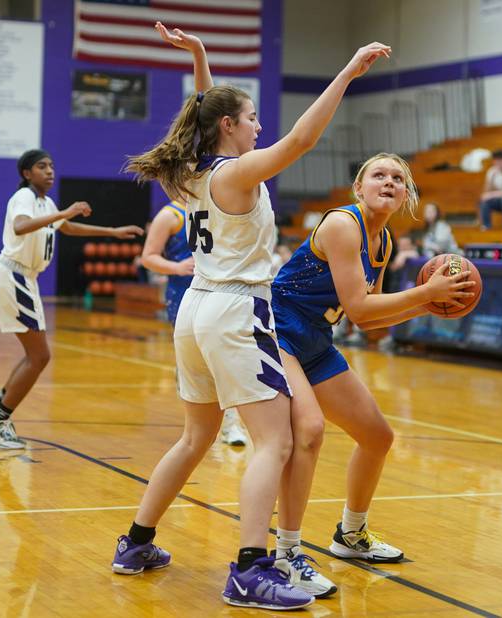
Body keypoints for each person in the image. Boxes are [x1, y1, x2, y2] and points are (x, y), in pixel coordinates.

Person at [110, 21, 392, 611]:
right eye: (252, 117)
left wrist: (202, 58)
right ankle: (250, 568)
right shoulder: (236, 174)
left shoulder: (190, 174)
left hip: (195, 311)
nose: (260, 125)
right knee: (276, 442)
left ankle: (135, 543)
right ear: (229, 126)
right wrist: (347, 73)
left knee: (195, 438)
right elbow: (300, 141)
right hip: (238, 309)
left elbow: (206, 117)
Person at [271, 153, 475, 597]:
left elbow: (368, 321)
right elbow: (361, 307)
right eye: (378, 175)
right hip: (277, 333)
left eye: (397, 178)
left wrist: (429, 305)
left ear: (405, 194)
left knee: (377, 437)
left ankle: (351, 534)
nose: (388, 182)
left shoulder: (381, 243)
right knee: (308, 432)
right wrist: (426, 292)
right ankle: (285, 555)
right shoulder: (344, 225)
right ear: (358, 189)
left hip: (316, 343)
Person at [0, 149, 143, 449]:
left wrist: (112, 232)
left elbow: (66, 227)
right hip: (14, 274)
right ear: (27, 173)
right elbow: (21, 226)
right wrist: (65, 212)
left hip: (24, 278)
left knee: (35, 355)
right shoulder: (25, 198)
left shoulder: (45, 202)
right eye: (42, 166)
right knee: (39, 356)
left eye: (52, 166)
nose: (50, 171)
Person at [141, 198, 249, 446]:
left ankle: (231, 425)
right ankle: (199, 426)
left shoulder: (216, 205)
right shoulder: (170, 215)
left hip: (219, 293)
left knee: (224, 359)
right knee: (194, 364)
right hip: (184, 296)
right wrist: (176, 267)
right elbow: (148, 257)